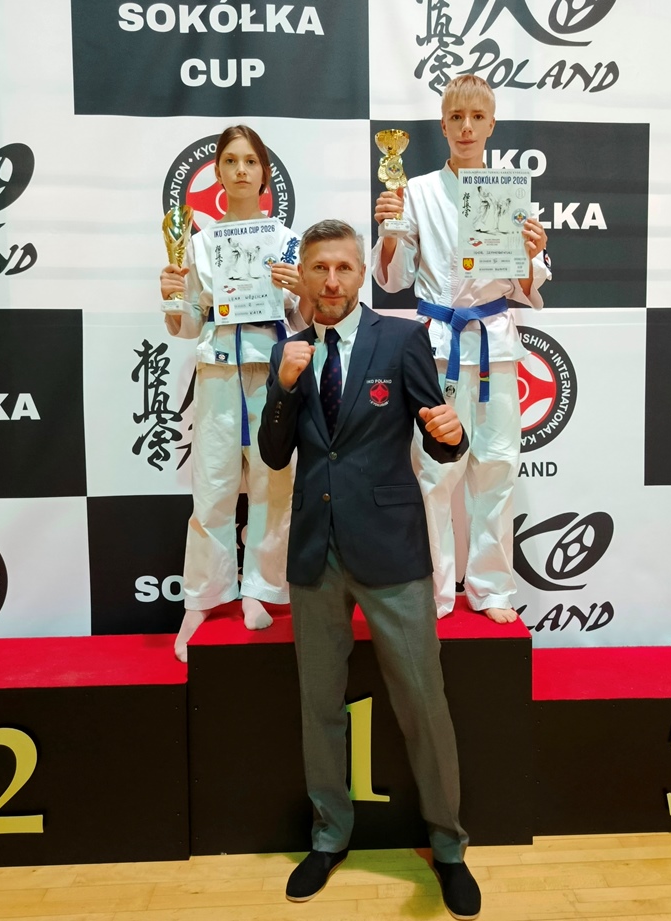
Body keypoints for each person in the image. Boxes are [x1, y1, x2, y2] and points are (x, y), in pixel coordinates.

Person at [258, 220, 482, 920]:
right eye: (320, 268)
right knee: (319, 705)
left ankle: (448, 847)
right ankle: (329, 836)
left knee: (423, 701)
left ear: (362, 274)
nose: (331, 281)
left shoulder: (401, 339)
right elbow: (273, 454)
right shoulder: (289, 350)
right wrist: (284, 388)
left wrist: (453, 439)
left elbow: (438, 437)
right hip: (315, 553)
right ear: (303, 276)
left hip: (390, 548)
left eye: (344, 268)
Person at [373, 75, 550, 625]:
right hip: (437, 346)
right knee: (434, 473)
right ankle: (434, 588)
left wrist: (532, 252)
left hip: (494, 345)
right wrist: (391, 231)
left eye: (477, 117)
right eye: (457, 117)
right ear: (443, 125)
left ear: (492, 124)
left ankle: (492, 588)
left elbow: (525, 286)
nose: (467, 127)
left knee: (496, 466)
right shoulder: (417, 192)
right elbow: (394, 279)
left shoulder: (509, 193)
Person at [160, 125, 310, 660]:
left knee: (274, 484)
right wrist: (173, 297)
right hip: (220, 372)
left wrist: (300, 292)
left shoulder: (288, 241)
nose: (241, 170)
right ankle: (201, 598)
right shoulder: (198, 243)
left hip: (273, 372)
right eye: (231, 161)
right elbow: (188, 324)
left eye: (250, 161)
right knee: (212, 487)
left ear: (264, 172)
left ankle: (260, 590)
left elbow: (305, 323)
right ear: (218, 172)